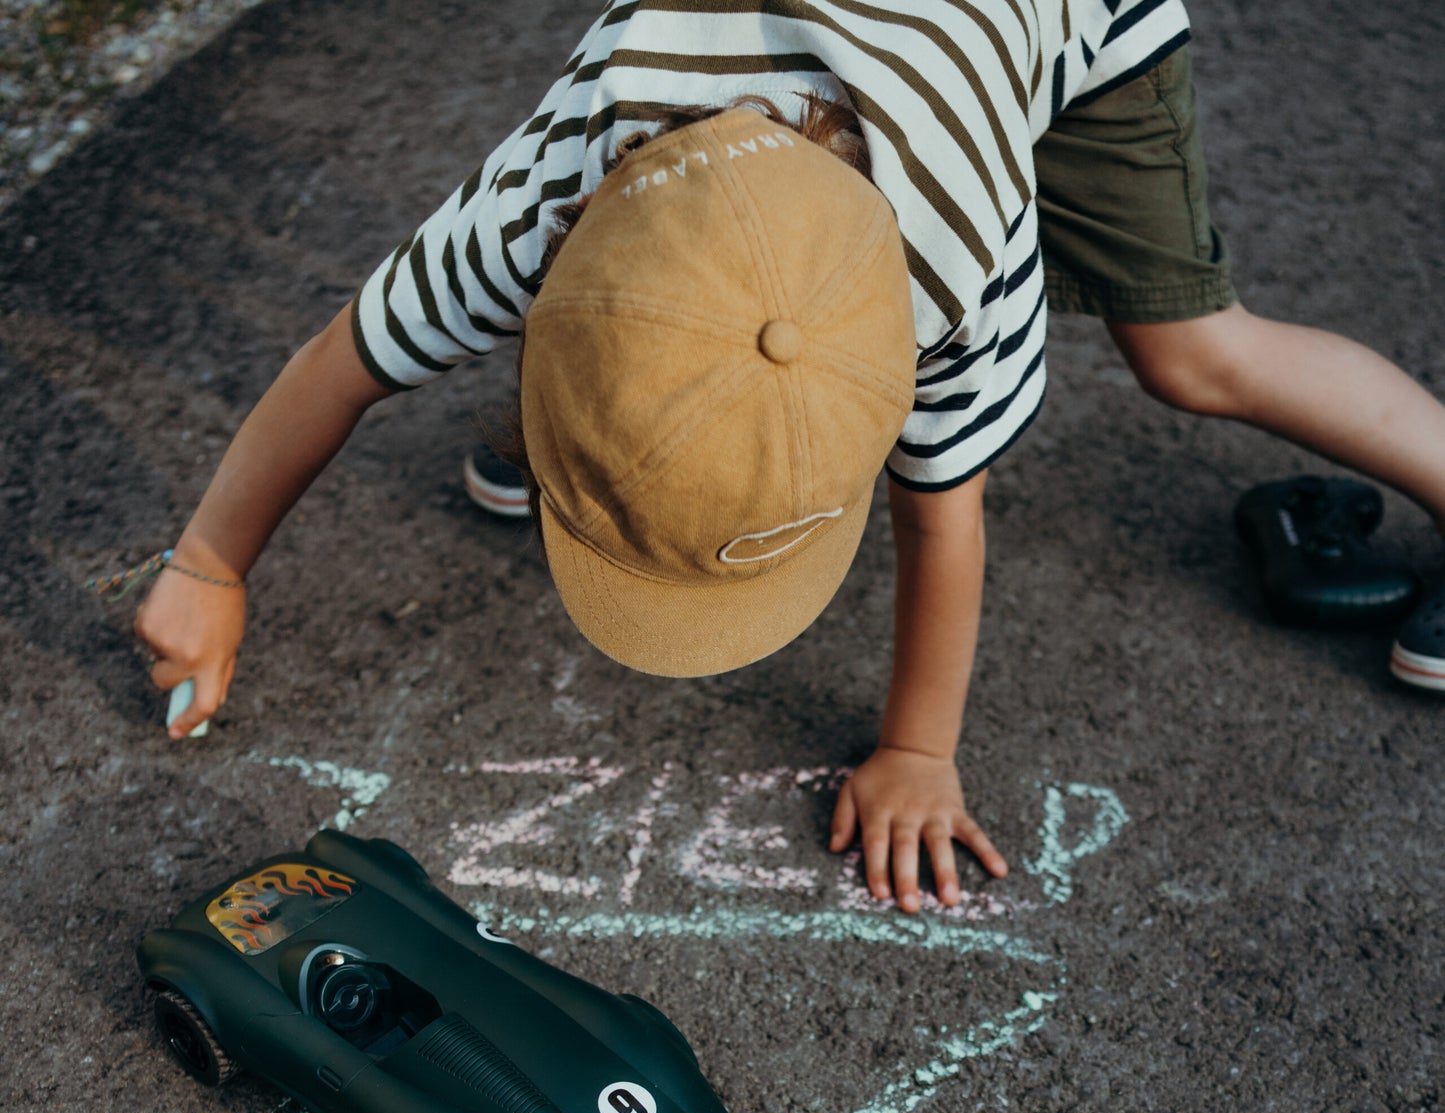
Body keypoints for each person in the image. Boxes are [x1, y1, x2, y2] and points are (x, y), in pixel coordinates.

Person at [135, 1, 1445, 913]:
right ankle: (591, 425)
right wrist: (207, 561)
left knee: (1192, 355)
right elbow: (340, 360)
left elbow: (944, 512)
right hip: (822, 53)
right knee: (628, 359)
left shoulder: (941, 283)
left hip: (1061, 28)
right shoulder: (552, 182)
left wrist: (917, 752)